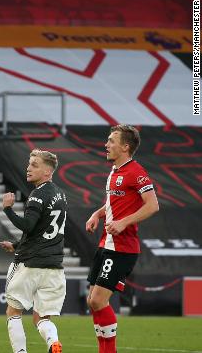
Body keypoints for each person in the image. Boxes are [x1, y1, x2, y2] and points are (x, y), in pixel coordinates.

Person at [84, 125, 159, 353]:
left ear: (125, 147)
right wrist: (97, 214)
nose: (106, 145)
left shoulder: (136, 172)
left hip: (123, 248)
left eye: (111, 141)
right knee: (92, 301)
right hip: (106, 243)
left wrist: (125, 222)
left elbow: (153, 205)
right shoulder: (114, 172)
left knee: (98, 301)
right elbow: (113, 205)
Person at [0, 149, 67, 353]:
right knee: (41, 318)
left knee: (13, 312)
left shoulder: (38, 194)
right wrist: (17, 245)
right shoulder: (60, 194)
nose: (28, 168)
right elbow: (41, 231)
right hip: (54, 268)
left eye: (35, 165)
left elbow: (28, 225)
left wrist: (8, 209)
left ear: (47, 172)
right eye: (29, 164)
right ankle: (53, 342)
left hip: (30, 265)